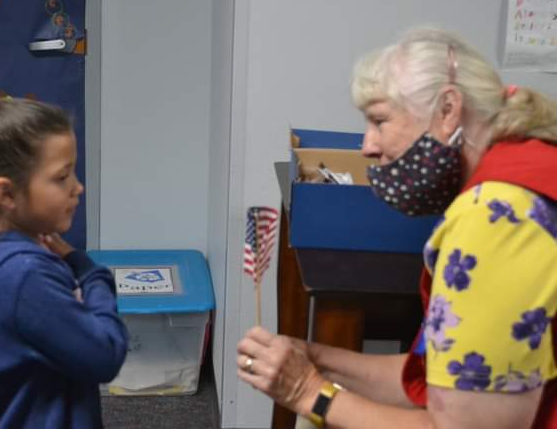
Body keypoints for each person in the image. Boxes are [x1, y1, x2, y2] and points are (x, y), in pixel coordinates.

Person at [237, 27, 557, 428]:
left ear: (448, 111)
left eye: (379, 121)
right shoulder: (530, 168)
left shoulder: (496, 219)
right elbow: (440, 379)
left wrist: (307, 393)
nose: (367, 146)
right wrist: (315, 358)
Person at [0, 97, 128, 428]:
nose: (78, 188)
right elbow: (105, 355)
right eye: (62, 177)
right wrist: (89, 274)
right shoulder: (24, 276)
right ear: (6, 194)